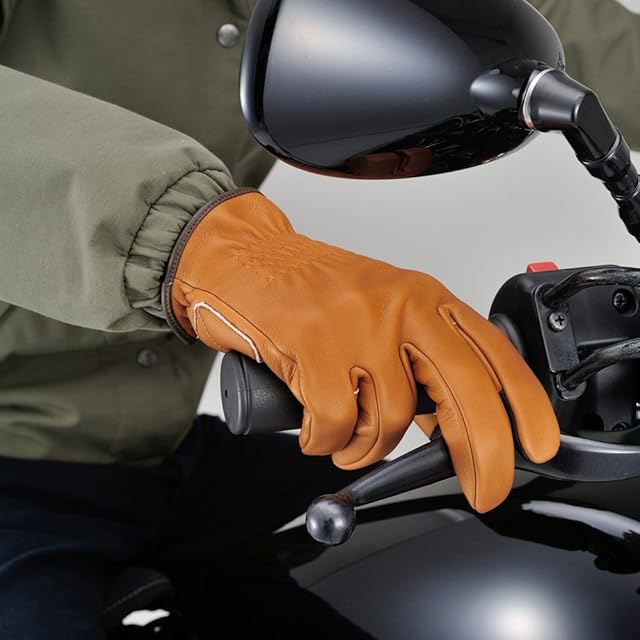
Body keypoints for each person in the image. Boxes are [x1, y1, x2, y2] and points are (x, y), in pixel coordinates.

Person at [0, 0, 634, 637]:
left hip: (167, 448)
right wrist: (223, 255)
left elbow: (514, 19)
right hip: (14, 454)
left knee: (481, 538)